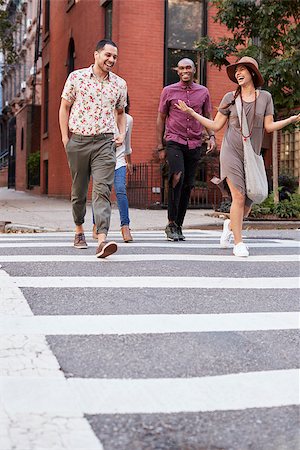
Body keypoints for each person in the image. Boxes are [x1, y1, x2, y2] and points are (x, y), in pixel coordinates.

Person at [176, 56, 300, 257]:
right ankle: (238, 242)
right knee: (239, 196)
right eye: (236, 71)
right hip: (231, 151)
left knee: (249, 201)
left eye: (242, 69)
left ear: (253, 73)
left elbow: (268, 127)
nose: (238, 73)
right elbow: (216, 126)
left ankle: (230, 225)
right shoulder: (230, 98)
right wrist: (191, 112)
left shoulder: (265, 98)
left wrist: (291, 119)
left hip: (252, 153)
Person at [59, 39, 127, 258]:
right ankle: (79, 229)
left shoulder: (119, 84)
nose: (111, 60)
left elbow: (120, 112)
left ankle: (102, 238)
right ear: (96, 54)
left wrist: (122, 134)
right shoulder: (76, 78)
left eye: (115, 57)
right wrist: (64, 138)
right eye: (108, 55)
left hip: (105, 143)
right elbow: (64, 107)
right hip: (78, 141)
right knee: (79, 191)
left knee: (102, 190)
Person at [157, 58, 216, 241]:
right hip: (175, 140)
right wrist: (160, 145)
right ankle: (171, 223)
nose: (185, 70)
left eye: (188, 67)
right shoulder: (168, 91)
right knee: (177, 177)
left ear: (194, 69)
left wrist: (212, 136)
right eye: (181, 68)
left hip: (195, 143)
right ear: (177, 70)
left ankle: (179, 225)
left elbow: (207, 116)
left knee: (188, 184)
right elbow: (161, 118)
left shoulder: (203, 92)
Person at [93, 99, 134, 243]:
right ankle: (96, 225)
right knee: (100, 192)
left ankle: (125, 226)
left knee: (121, 189)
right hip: (102, 161)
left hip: (120, 161)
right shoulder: (102, 117)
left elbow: (127, 143)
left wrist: (129, 162)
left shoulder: (128, 119)